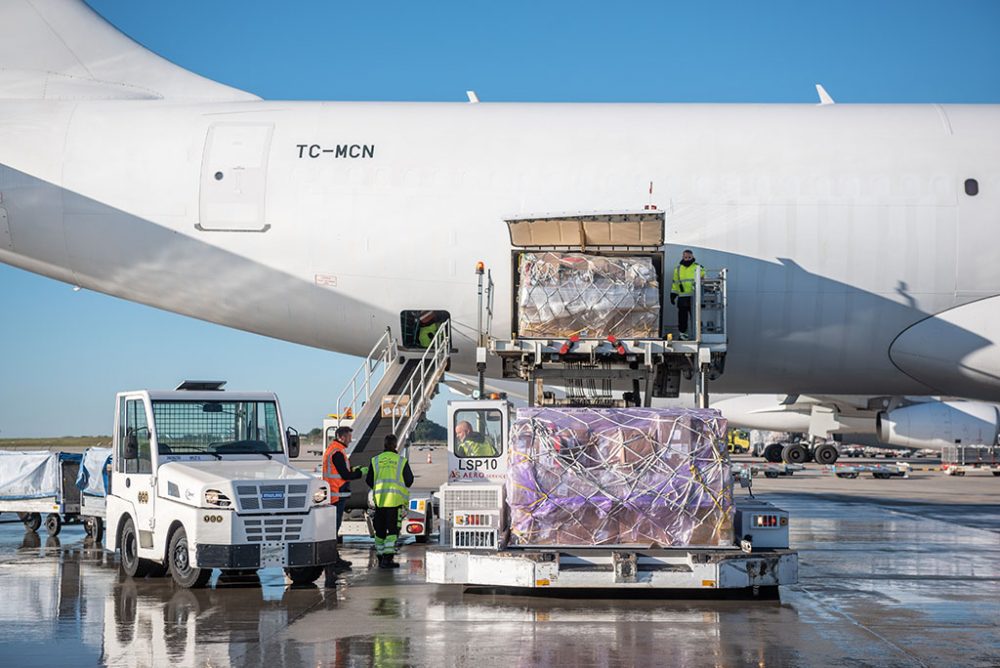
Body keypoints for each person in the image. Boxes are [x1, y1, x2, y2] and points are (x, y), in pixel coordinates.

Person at [364, 434, 414, 569]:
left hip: (379, 501)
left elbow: (369, 480)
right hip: (395, 501)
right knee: (392, 531)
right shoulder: (401, 461)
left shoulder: (375, 460)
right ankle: (388, 558)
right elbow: (409, 481)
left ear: (384, 445)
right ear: (396, 445)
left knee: (379, 530)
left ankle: (380, 557)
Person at [322, 426, 365, 573]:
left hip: (334, 494)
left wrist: (352, 470)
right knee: (333, 530)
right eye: (348, 437)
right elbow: (344, 475)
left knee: (334, 530)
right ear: (341, 437)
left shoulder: (334, 450)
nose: (350, 440)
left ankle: (334, 559)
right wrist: (359, 473)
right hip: (336, 495)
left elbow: (342, 472)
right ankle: (332, 561)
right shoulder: (337, 453)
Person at [670, 249, 701, 340]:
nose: (687, 259)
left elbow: (703, 277)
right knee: (682, 318)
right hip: (683, 297)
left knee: (696, 317)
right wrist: (673, 294)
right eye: (685, 257)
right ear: (683, 257)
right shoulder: (678, 269)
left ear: (693, 257)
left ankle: (698, 335)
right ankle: (683, 335)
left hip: (695, 297)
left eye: (689, 257)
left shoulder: (698, 267)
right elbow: (675, 283)